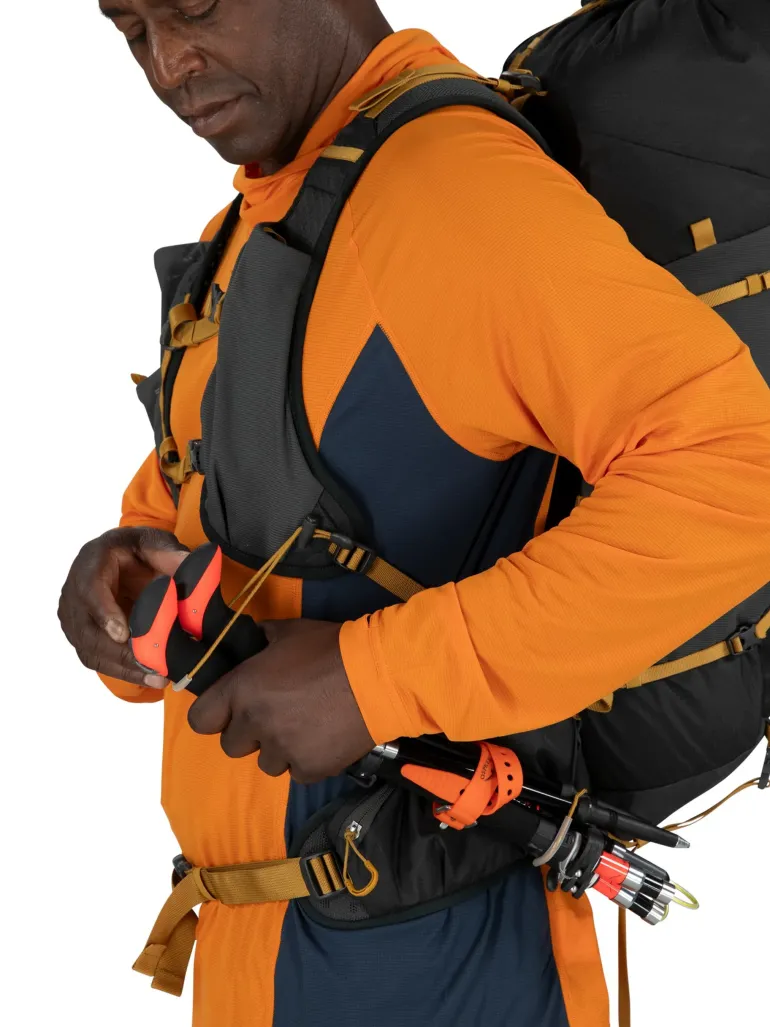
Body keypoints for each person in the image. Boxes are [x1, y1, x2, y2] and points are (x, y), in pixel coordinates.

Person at [58, 2, 770, 1025]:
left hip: (441, 955)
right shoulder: (270, 219)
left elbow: (737, 470)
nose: (169, 64)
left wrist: (373, 678)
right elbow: (238, 494)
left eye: (196, 8)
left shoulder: (451, 191)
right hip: (269, 952)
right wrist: (123, 577)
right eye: (132, 29)